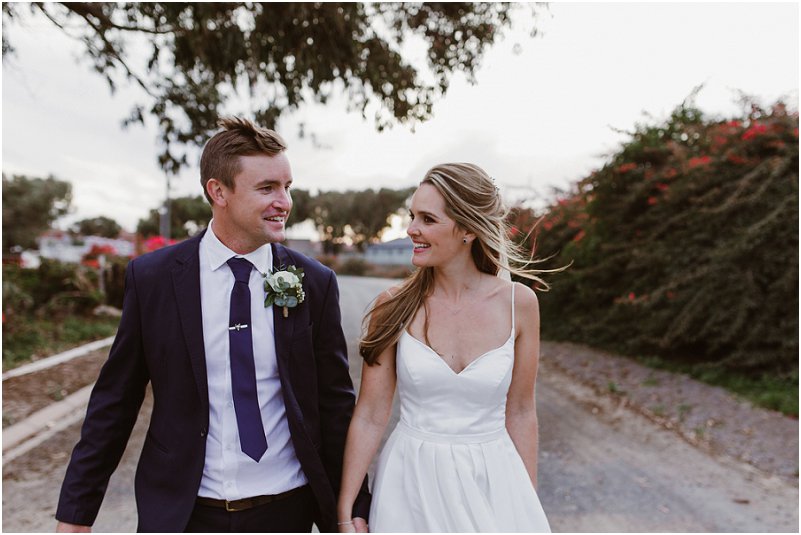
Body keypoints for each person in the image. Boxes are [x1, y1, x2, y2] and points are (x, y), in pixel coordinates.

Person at [55, 117, 370, 533]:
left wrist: (353, 506)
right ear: (218, 191)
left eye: (287, 187)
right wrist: (75, 516)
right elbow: (115, 401)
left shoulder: (315, 282)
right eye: (267, 188)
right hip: (184, 513)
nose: (284, 202)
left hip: (286, 509)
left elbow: (335, 404)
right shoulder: (153, 279)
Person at [337, 163, 551, 533]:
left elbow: (520, 411)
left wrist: (525, 500)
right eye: (412, 216)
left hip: (493, 479)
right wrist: (345, 506)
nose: (411, 229)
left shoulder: (520, 304)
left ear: (468, 229)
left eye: (428, 219)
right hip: (410, 484)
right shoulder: (392, 306)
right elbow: (371, 414)